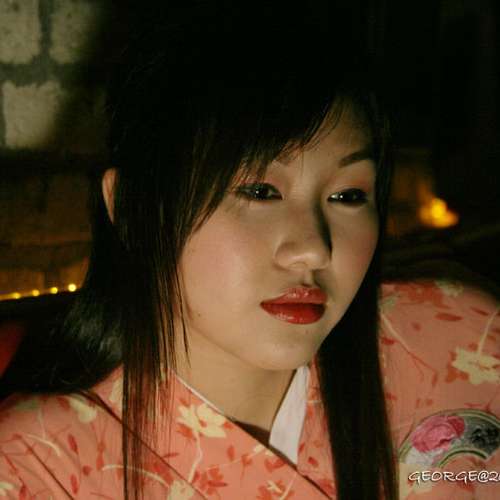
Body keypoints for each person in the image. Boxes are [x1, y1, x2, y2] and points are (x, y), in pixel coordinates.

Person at [0, 3, 498, 499]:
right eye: (260, 191)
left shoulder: (460, 340)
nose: (312, 250)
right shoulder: (35, 467)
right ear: (131, 209)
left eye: (348, 195)